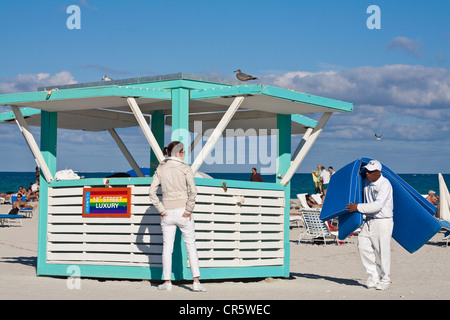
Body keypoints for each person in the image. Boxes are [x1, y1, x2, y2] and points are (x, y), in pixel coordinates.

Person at [149, 141, 206, 292]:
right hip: (183, 212)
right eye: (183, 152)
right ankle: (196, 282)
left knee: (167, 248)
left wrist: (161, 210)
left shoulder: (160, 168)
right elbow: (193, 191)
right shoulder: (185, 168)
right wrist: (188, 210)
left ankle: (167, 283)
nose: (184, 154)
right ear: (179, 153)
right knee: (191, 246)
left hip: (167, 212)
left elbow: (151, 193)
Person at [345, 160, 394, 291]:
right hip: (369, 220)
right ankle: (374, 274)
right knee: (362, 245)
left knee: (382, 251)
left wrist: (357, 208)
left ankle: (385, 279)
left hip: (383, 221)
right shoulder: (366, 181)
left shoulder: (385, 184)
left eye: (371, 172)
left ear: (378, 172)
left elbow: (378, 205)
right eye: (366, 171)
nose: (367, 174)